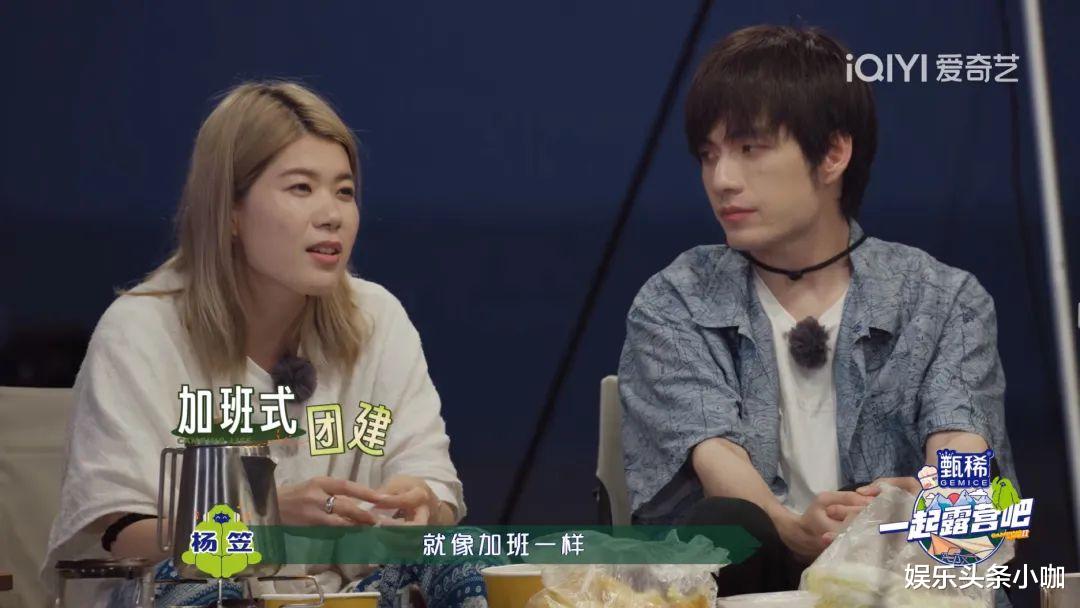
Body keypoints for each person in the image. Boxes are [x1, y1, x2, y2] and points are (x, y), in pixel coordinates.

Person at [43, 81, 486, 607]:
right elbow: (119, 531)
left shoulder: (377, 318)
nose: (332, 214)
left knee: (462, 562)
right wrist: (262, 521)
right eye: (301, 188)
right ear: (230, 210)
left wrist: (419, 504)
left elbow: (433, 482)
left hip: (341, 596)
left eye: (344, 191)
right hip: (189, 590)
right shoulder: (141, 331)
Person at [618, 25, 1017, 604]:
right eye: (709, 155)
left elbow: (960, 436)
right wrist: (792, 529)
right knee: (730, 524)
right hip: (752, 578)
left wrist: (929, 507)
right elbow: (713, 453)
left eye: (750, 149)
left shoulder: (943, 298)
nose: (722, 180)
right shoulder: (676, 299)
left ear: (832, 154)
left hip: (897, 581)